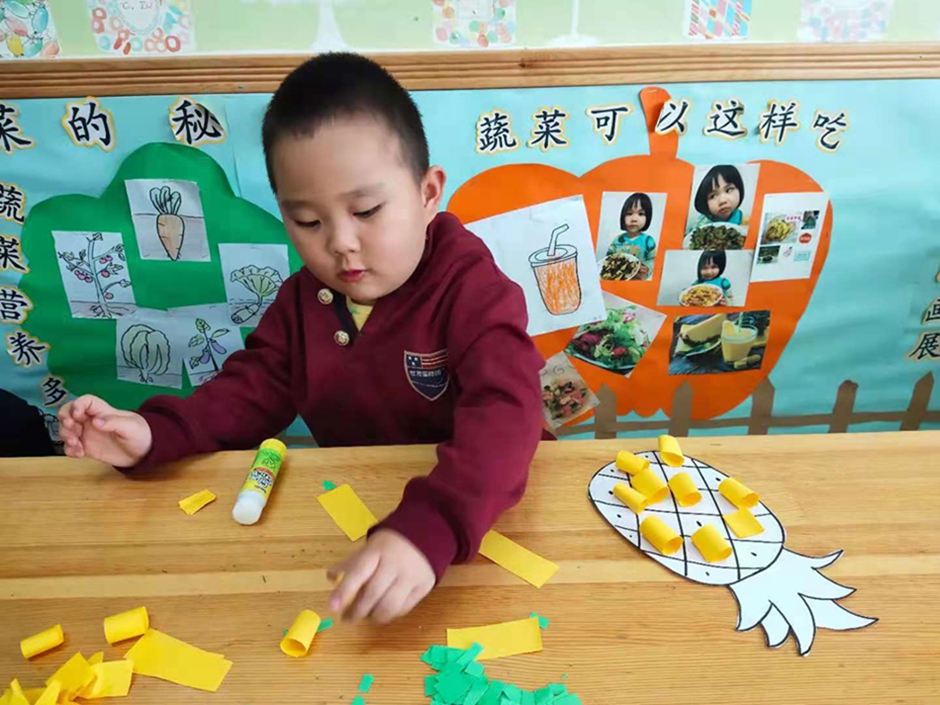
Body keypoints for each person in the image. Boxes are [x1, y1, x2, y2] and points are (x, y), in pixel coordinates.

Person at [57, 53, 545, 625]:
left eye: (366, 211)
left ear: (428, 193)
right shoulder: (303, 300)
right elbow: (247, 393)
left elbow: (507, 413)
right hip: (360, 507)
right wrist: (154, 433)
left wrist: (433, 524)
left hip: (482, 516)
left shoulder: (474, 290)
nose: (340, 244)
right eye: (308, 222)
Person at [603, 192, 656, 279]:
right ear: (623, 217)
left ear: (648, 217)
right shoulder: (618, 240)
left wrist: (647, 267)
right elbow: (609, 258)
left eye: (641, 214)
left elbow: (653, 259)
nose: (634, 219)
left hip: (638, 280)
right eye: (629, 213)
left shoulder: (648, 241)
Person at [690, 164, 748, 230]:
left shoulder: (746, 221)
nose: (722, 201)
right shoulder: (702, 227)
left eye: (729, 190)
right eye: (713, 196)